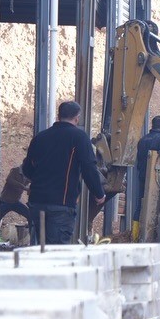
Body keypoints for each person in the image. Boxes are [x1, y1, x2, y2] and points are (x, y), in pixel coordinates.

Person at [21, 100, 105, 245]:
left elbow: (27, 169)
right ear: (77, 118)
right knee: (57, 251)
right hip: (61, 205)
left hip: (37, 202)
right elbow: (88, 167)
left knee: (41, 249)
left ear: (58, 116)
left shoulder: (40, 138)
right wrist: (99, 193)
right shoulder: (79, 137)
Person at [129, 115, 160, 222]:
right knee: (155, 204)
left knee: (140, 203)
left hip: (142, 175)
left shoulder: (142, 140)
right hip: (156, 177)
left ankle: (135, 233)